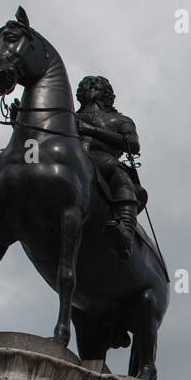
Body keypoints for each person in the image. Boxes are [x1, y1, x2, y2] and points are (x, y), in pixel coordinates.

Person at [75, 75, 145, 258]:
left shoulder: (120, 120)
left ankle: (126, 232)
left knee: (119, 173)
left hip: (102, 158)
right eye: (86, 85)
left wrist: (92, 131)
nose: (89, 87)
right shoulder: (68, 115)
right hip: (70, 155)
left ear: (106, 92)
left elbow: (133, 143)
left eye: (95, 84)